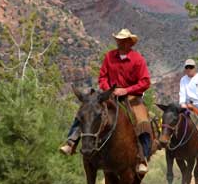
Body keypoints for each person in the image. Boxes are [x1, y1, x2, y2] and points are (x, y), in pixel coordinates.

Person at [60, 29, 152, 176]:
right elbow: (102, 77)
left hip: (131, 96)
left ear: (129, 42)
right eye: (118, 40)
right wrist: (108, 89)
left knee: (143, 121)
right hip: (109, 94)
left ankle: (142, 157)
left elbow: (145, 82)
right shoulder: (109, 57)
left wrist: (126, 90)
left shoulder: (138, 59)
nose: (119, 42)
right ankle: (71, 141)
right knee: (87, 109)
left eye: (123, 40)